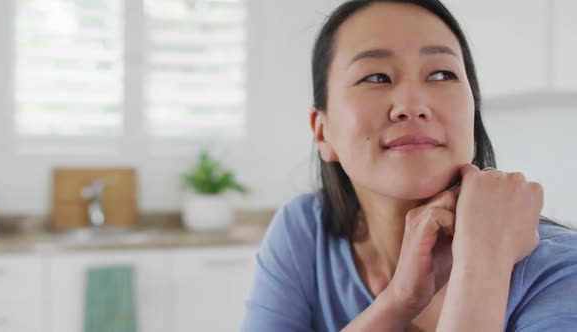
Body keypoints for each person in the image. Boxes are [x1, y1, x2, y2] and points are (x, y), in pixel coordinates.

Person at [241, 0, 577, 331]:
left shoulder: (561, 271)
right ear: (322, 131)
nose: (412, 105)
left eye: (442, 74)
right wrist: (399, 301)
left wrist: (482, 264)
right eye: (376, 77)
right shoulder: (305, 231)